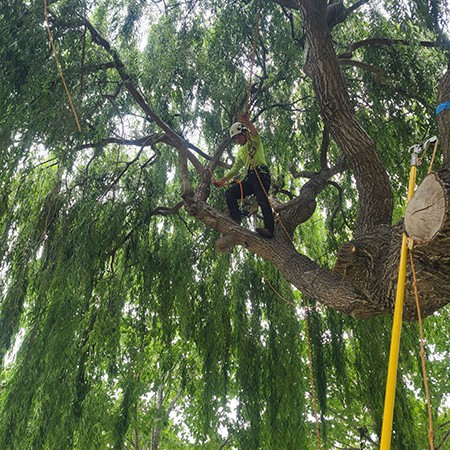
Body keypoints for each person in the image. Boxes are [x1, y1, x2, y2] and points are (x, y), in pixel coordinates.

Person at [214, 114, 274, 238]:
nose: (237, 140)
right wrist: (222, 181)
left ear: (244, 133)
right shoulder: (241, 151)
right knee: (230, 192)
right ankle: (236, 219)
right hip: (250, 178)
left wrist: (247, 123)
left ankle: (269, 229)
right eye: (235, 138)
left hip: (261, 174)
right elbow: (235, 169)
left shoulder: (254, 141)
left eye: (238, 137)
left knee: (262, 198)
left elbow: (255, 133)